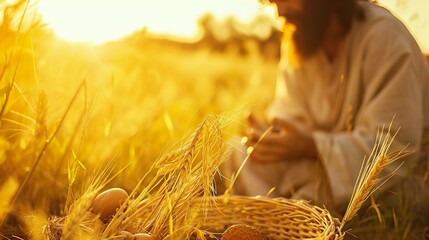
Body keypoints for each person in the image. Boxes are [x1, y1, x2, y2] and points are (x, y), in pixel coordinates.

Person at [218, 0, 429, 217]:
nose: (280, 11)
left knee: (308, 189)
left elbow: (395, 149)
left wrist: (310, 146)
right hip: (313, 165)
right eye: (273, 1)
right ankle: (270, 218)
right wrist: (272, 139)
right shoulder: (300, 38)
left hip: (384, 182)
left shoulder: (385, 36)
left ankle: (280, 219)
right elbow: (290, 115)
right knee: (236, 154)